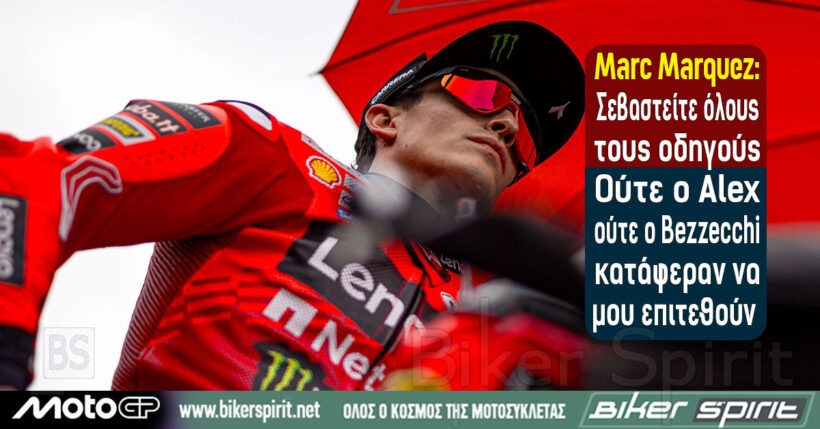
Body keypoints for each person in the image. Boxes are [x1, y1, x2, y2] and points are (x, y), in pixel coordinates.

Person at [0, 20, 584, 390]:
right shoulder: (269, 157)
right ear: (386, 118)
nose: (508, 125)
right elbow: (39, 179)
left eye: (527, 138)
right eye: (483, 92)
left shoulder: (498, 315)